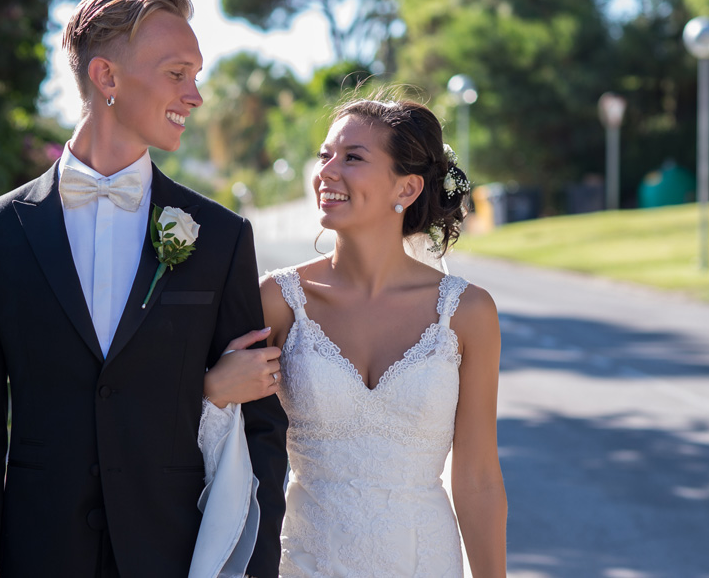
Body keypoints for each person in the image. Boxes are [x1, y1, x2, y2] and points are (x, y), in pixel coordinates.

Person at [0, 0, 288, 578]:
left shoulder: (221, 238)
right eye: (178, 73)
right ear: (107, 78)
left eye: (196, 74)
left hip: (177, 555)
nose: (195, 95)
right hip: (38, 556)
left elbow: (259, 422)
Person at [203, 96, 508, 576]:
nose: (327, 172)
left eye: (353, 158)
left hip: (424, 560)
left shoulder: (467, 312)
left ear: (406, 188)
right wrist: (212, 390)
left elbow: (479, 478)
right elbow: (227, 441)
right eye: (325, 155)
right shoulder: (279, 301)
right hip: (307, 559)